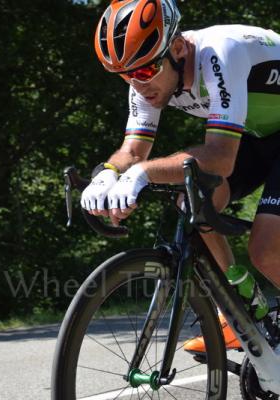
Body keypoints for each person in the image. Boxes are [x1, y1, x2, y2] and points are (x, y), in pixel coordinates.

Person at [81, 0, 280, 353]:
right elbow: (132, 151)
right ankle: (237, 307)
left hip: (261, 135)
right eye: (125, 76)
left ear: (176, 48)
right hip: (259, 132)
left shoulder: (221, 52)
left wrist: (143, 173)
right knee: (194, 202)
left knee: (266, 249)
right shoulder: (147, 73)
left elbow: (220, 158)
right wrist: (108, 174)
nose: (137, 84)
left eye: (143, 72)